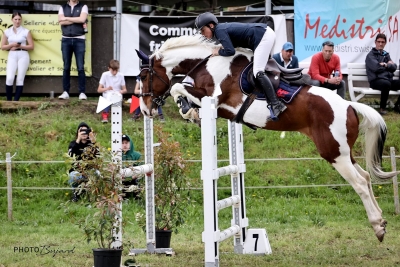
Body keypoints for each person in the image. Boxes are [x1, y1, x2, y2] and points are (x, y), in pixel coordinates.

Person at [194, 12, 286, 121]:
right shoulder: (220, 30)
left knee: (258, 72)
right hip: (264, 35)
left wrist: (218, 52)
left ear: (211, 25)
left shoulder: (219, 31)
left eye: (203, 30)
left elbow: (230, 51)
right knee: (258, 69)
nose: (202, 34)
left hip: (263, 36)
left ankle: (276, 104)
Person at [58, 0, 89, 100]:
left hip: (79, 39)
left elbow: (82, 19)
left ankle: (82, 92)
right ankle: (66, 91)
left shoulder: (83, 6)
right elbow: (60, 22)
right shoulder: (62, 7)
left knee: (80, 67)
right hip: (65, 39)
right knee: (66, 67)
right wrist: (77, 19)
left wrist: (66, 18)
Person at [1, 12, 34, 101]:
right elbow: (2, 46)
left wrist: (20, 46)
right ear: (12, 20)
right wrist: (11, 45)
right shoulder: (7, 31)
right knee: (10, 78)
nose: (17, 21)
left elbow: (31, 46)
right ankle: (9, 101)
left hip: (23, 54)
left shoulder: (26, 31)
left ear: (21, 20)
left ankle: (16, 101)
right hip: (12, 55)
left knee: (20, 78)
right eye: (15, 19)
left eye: (19, 19)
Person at [365, 33, 400, 115]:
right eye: (379, 41)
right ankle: (382, 108)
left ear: (385, 43)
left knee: (390, 83)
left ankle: (397, 105)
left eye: (382, 42)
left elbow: (394, 67)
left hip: (387, 80)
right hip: (375, 81)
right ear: (375, 42)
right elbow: (376, 68)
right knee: (386, 84)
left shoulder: (386, 54)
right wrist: (388, 65)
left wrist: (384, 64)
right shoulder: (370, 55)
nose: (380, 44)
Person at [67, 122, 97, 202]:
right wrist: (78, 140)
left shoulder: (92, 144)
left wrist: (93, 140)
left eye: (86, 130)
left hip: (90, 170)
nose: (84, 132)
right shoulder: (73, 143)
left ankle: (93, 194)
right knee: (73, 175)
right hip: (77, 171)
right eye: (81, 130)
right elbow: (70, 154)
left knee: (97, 173)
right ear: (78, 132)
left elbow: (98, 155)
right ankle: (75, 194)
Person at [120, 134, 142, 198]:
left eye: (126, 143)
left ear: (130, 143)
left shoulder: (137, 155)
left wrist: (129, 178)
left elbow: (139, 173)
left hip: (133, 179)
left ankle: (137, 197)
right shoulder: (116, 156)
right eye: (122, 143)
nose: (124, 145)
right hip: (120, 180)